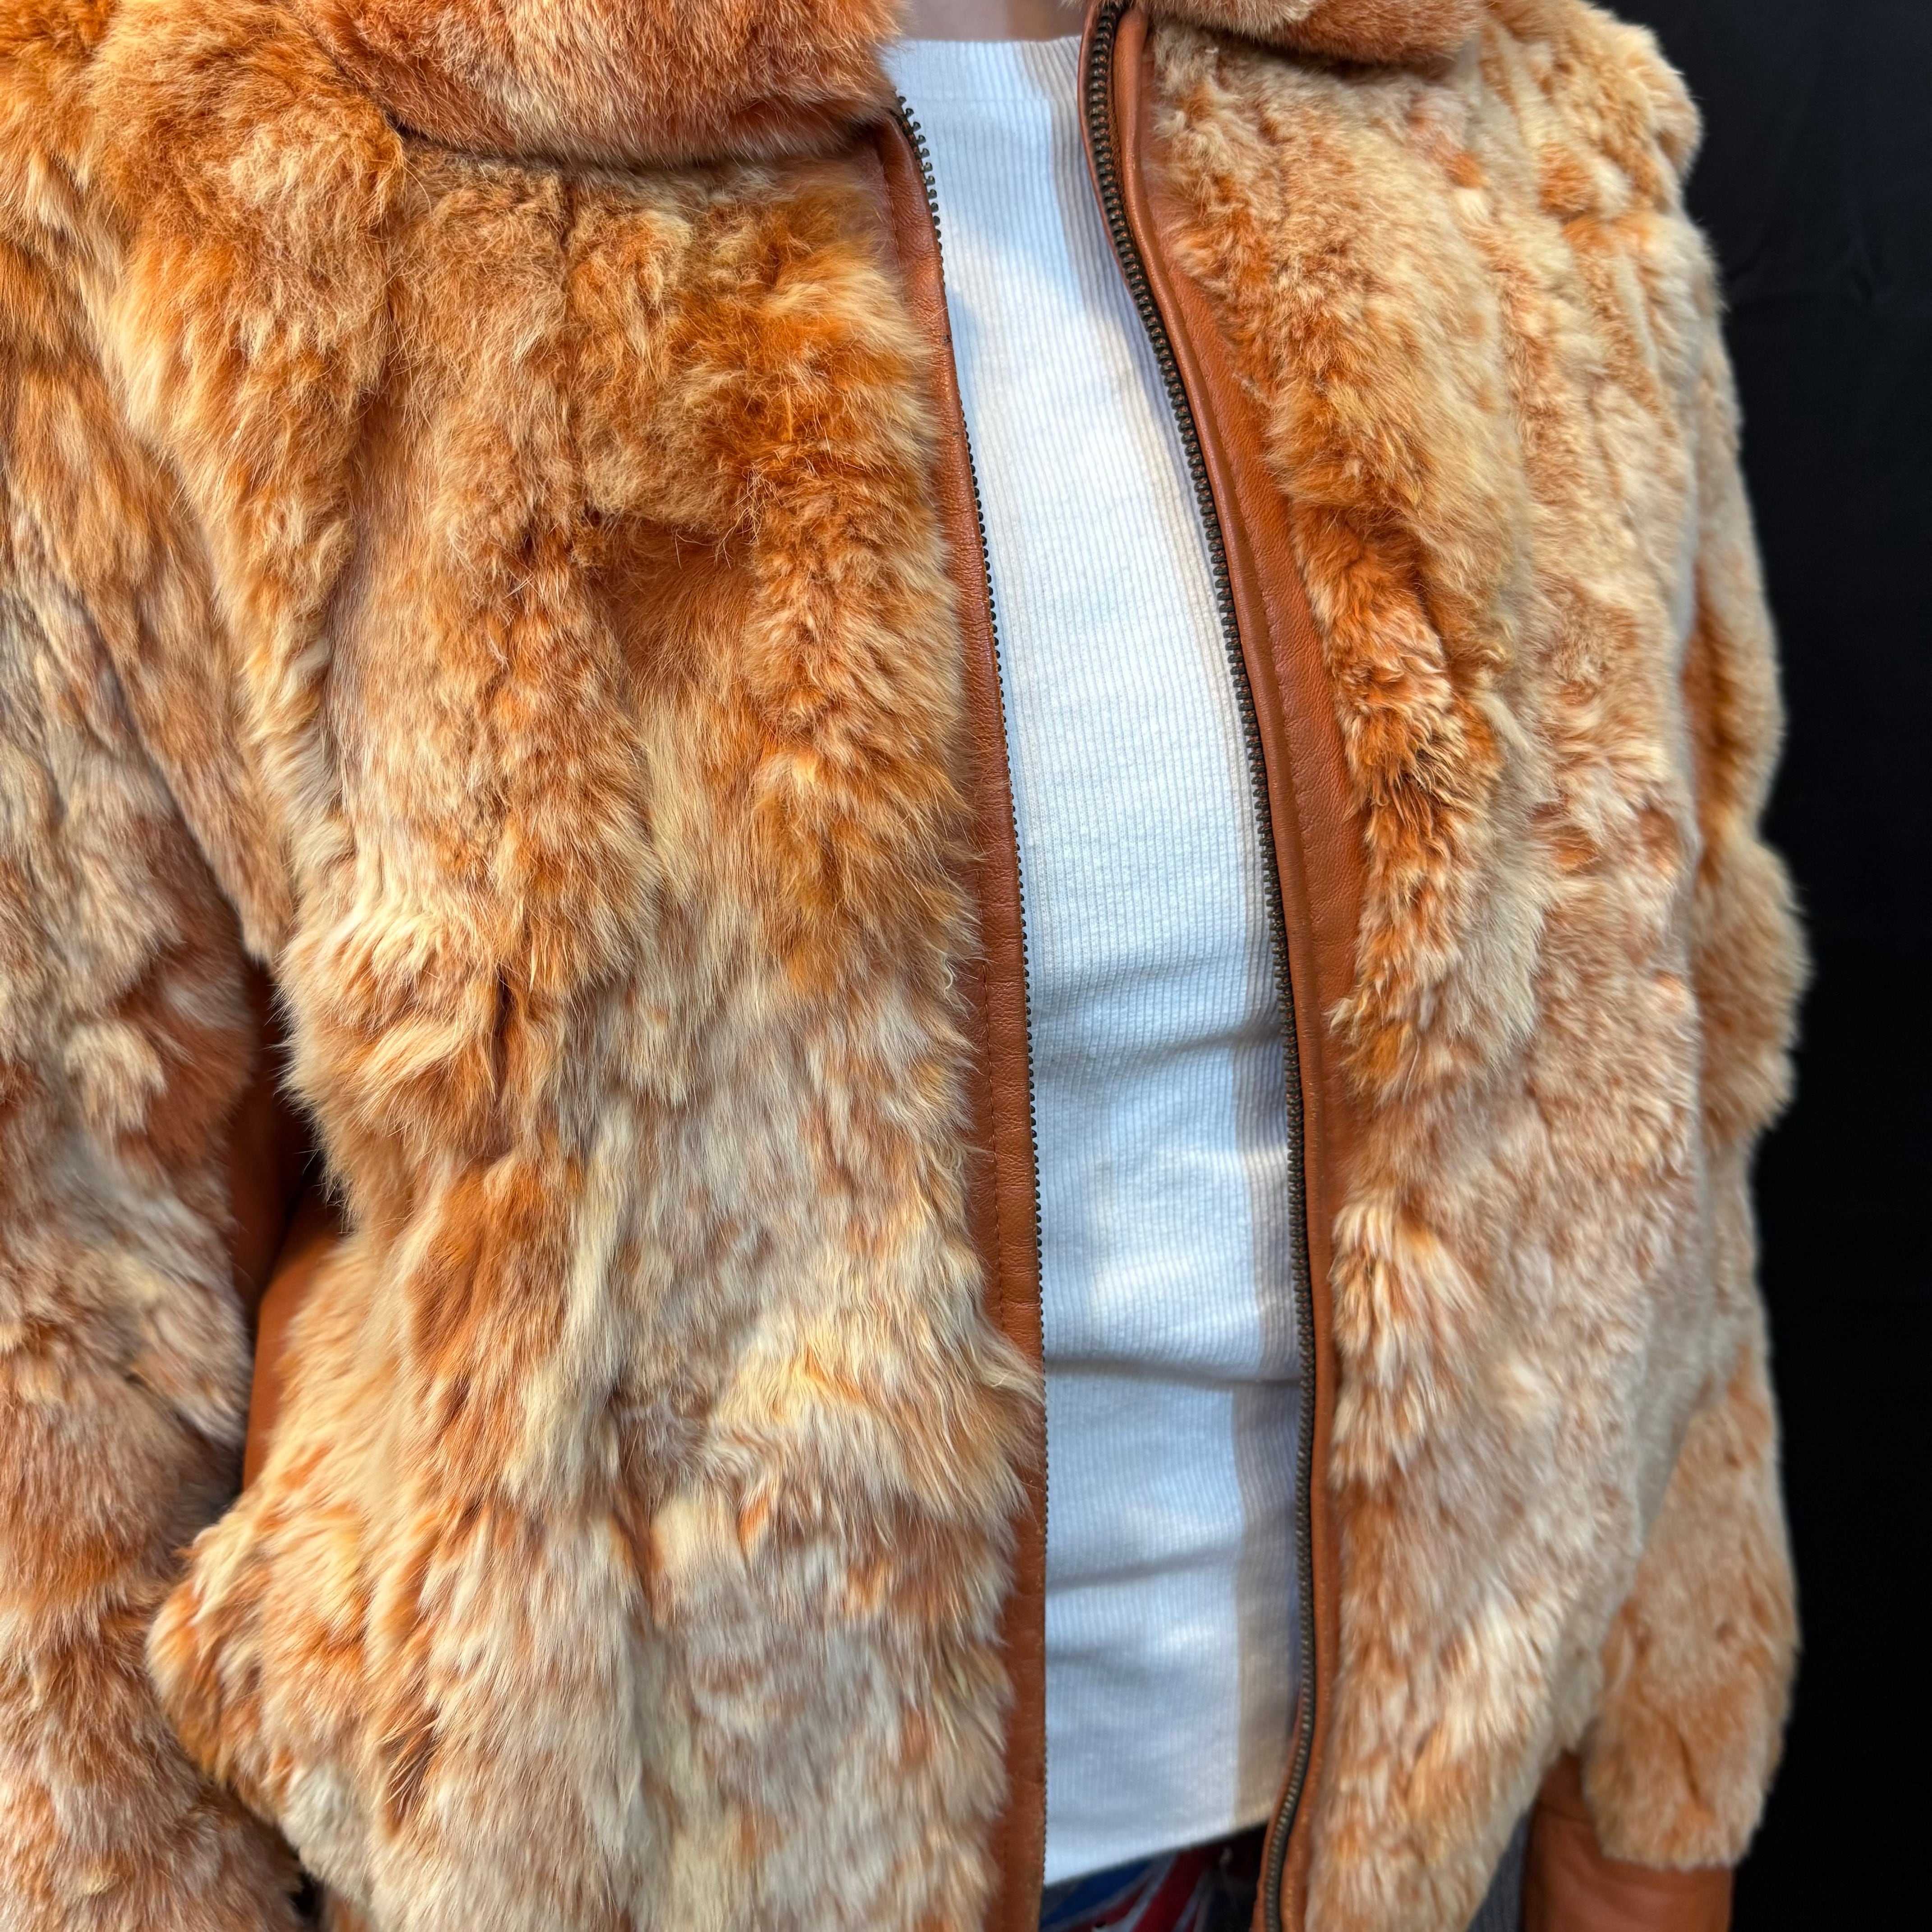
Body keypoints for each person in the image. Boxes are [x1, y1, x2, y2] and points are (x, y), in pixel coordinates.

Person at [0, 3, 1801, 1931]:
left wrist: (1658, 1799)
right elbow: (68, 1287)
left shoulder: (1505, 105)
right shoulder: (192, 140)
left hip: (1339, 1859)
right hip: (613, 1864)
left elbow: (1662, 1081)